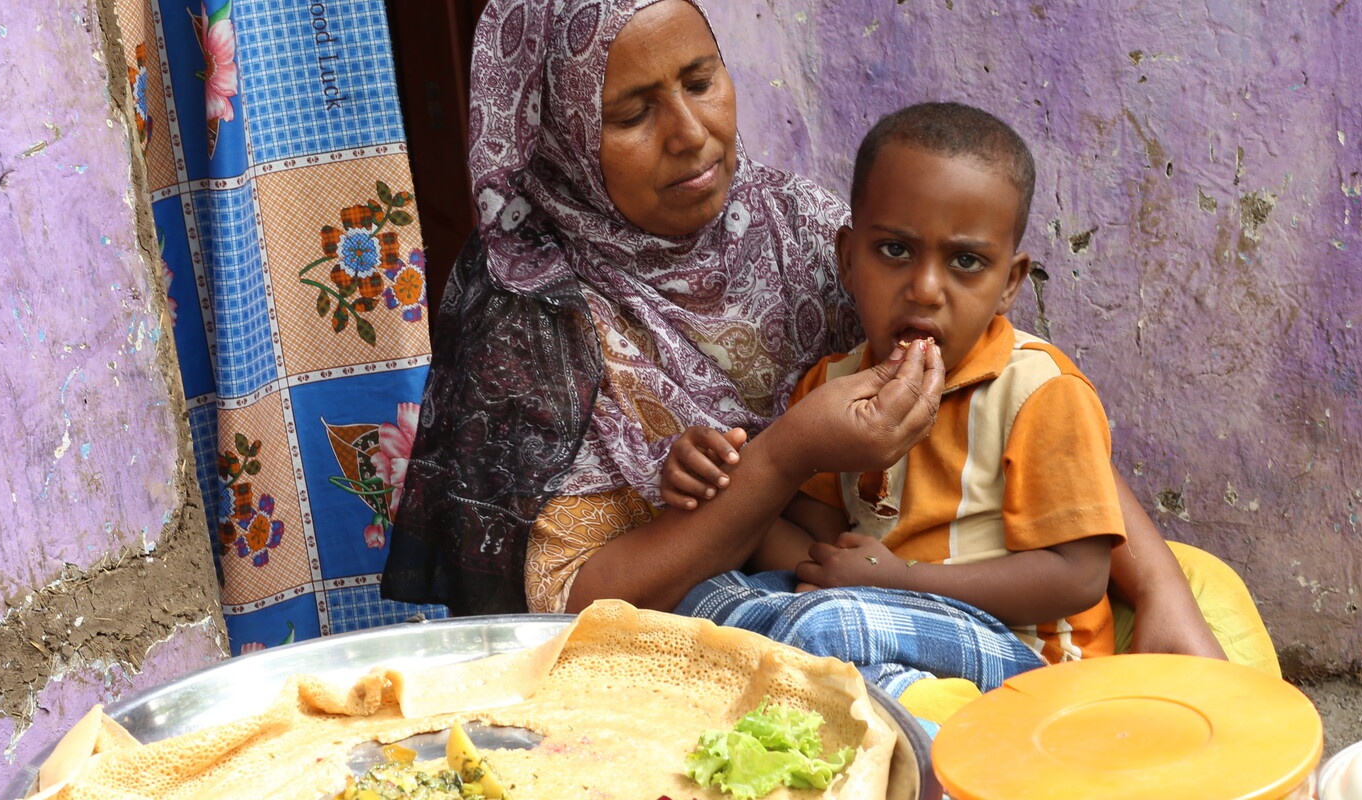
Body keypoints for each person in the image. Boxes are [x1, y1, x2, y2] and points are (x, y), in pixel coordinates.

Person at [384, 0, 1272, 685]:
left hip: (869, 574)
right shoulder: (530, 316)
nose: (691, 134)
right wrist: (773, 462)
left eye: (700, 79)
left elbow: (1000, 392)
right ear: (559, 135)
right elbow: (566, 607)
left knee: (1208, 593)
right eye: (632, 113)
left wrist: (1156, 589)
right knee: (819, 656)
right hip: (681, 620)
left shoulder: (797, 230)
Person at [667, 101, 1130, 676]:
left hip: (1022, 652)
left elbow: (1079, 577)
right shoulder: (834, 389)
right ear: (847, 260)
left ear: (1009, 284)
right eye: (894, 251)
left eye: (965, 261)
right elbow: (818, 546)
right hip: (877, 616)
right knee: (699, 604)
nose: (926, 289)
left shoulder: (1040, 390)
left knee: (825, 628)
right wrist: (721, 481)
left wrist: (898, 580)